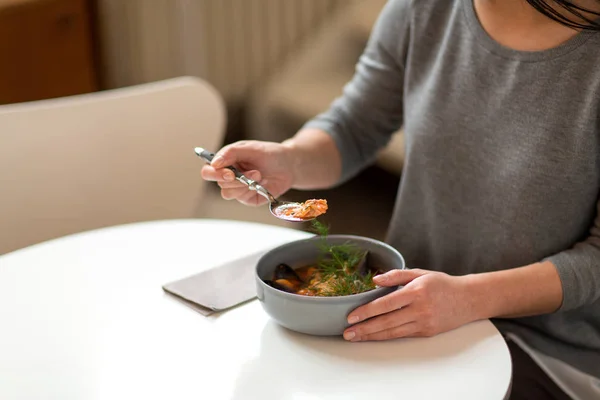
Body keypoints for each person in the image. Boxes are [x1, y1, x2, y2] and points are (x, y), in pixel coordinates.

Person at [201, 1, 600, 399]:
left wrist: (467, 299)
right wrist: (289, 159)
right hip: (401, 312)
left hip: (546, 349)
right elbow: (355, 127)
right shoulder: (425, 8)